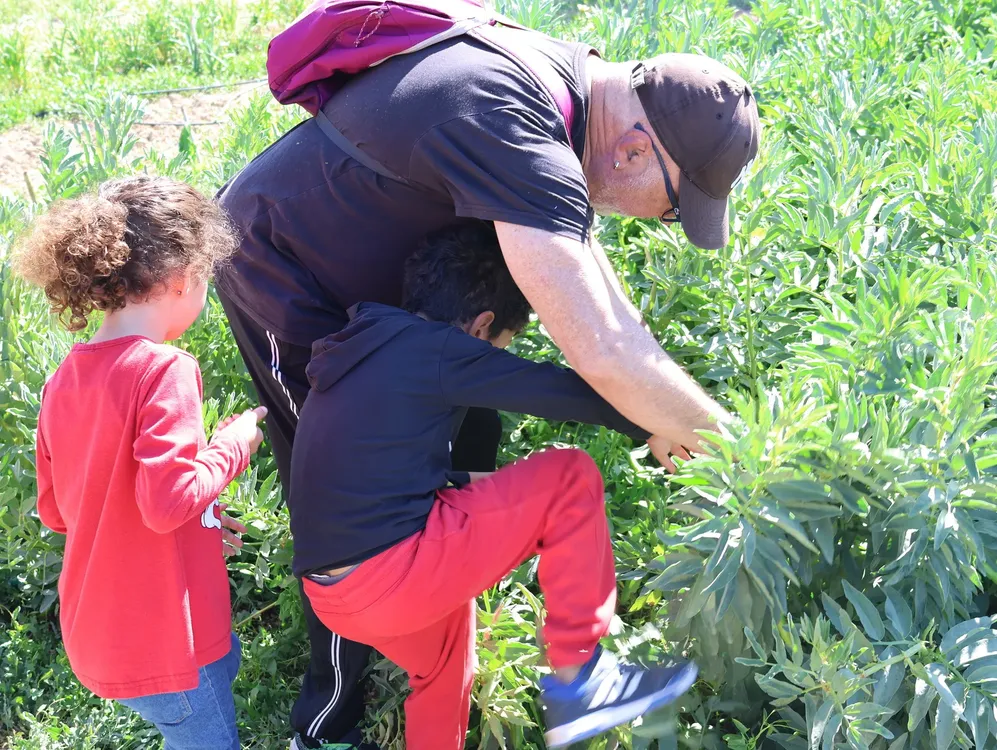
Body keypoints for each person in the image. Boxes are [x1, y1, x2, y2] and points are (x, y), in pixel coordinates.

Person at [216, 31, 759, 747]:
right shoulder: (517, 124)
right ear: (631, 149)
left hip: (383, 300)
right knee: (331, 474)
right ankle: (328, 722)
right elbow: (599, 352)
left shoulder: (560, 88)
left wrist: (653, 403)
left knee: (440, 565)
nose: (661, 224)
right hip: (282, 270)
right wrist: (735, 449)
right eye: (670, 208)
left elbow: (604, 309)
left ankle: (438, 596)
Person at [290, 222, 698, 749]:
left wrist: (505, 502)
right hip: (389, 574)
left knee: (445, 661)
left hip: (333, 596)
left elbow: (390, 479)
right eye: (503, 344)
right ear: (482, 326)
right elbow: (561, 392)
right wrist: (655, 422)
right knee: (569, 476)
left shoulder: (369, 342)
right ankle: (582, 680)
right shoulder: (438, 349)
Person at [13, 176, 268, 750]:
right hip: (167, 645)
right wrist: (234, 443)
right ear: (182, 280)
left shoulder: (64, 381)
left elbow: (61, 510)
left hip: (103, 635)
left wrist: (199, 519)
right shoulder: (163, 368)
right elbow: (164, 501)